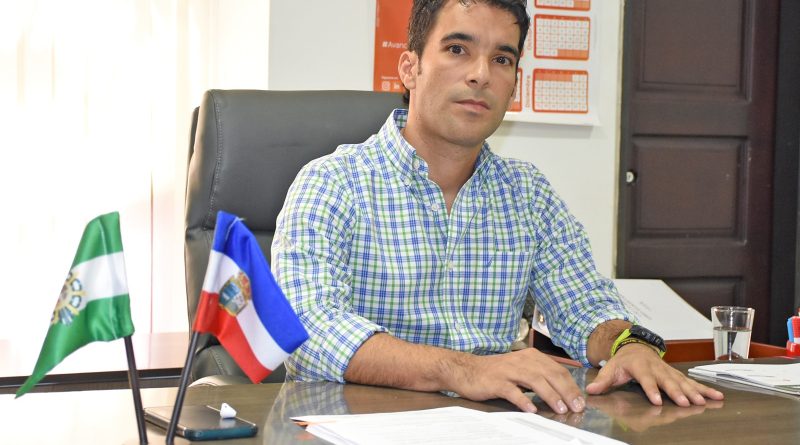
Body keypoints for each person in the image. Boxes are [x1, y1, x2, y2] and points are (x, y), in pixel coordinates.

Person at [272, 0, 723, 414]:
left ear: (513, 86)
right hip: (358, 427)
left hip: (494, 425)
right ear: (410, 68)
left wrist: (629, 346)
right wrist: (463, 369)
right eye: (457, 50)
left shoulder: (527, 194)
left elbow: (585, 306)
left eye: (502, 59)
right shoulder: (333, 183)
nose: (480, 75)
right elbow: (306, 330)